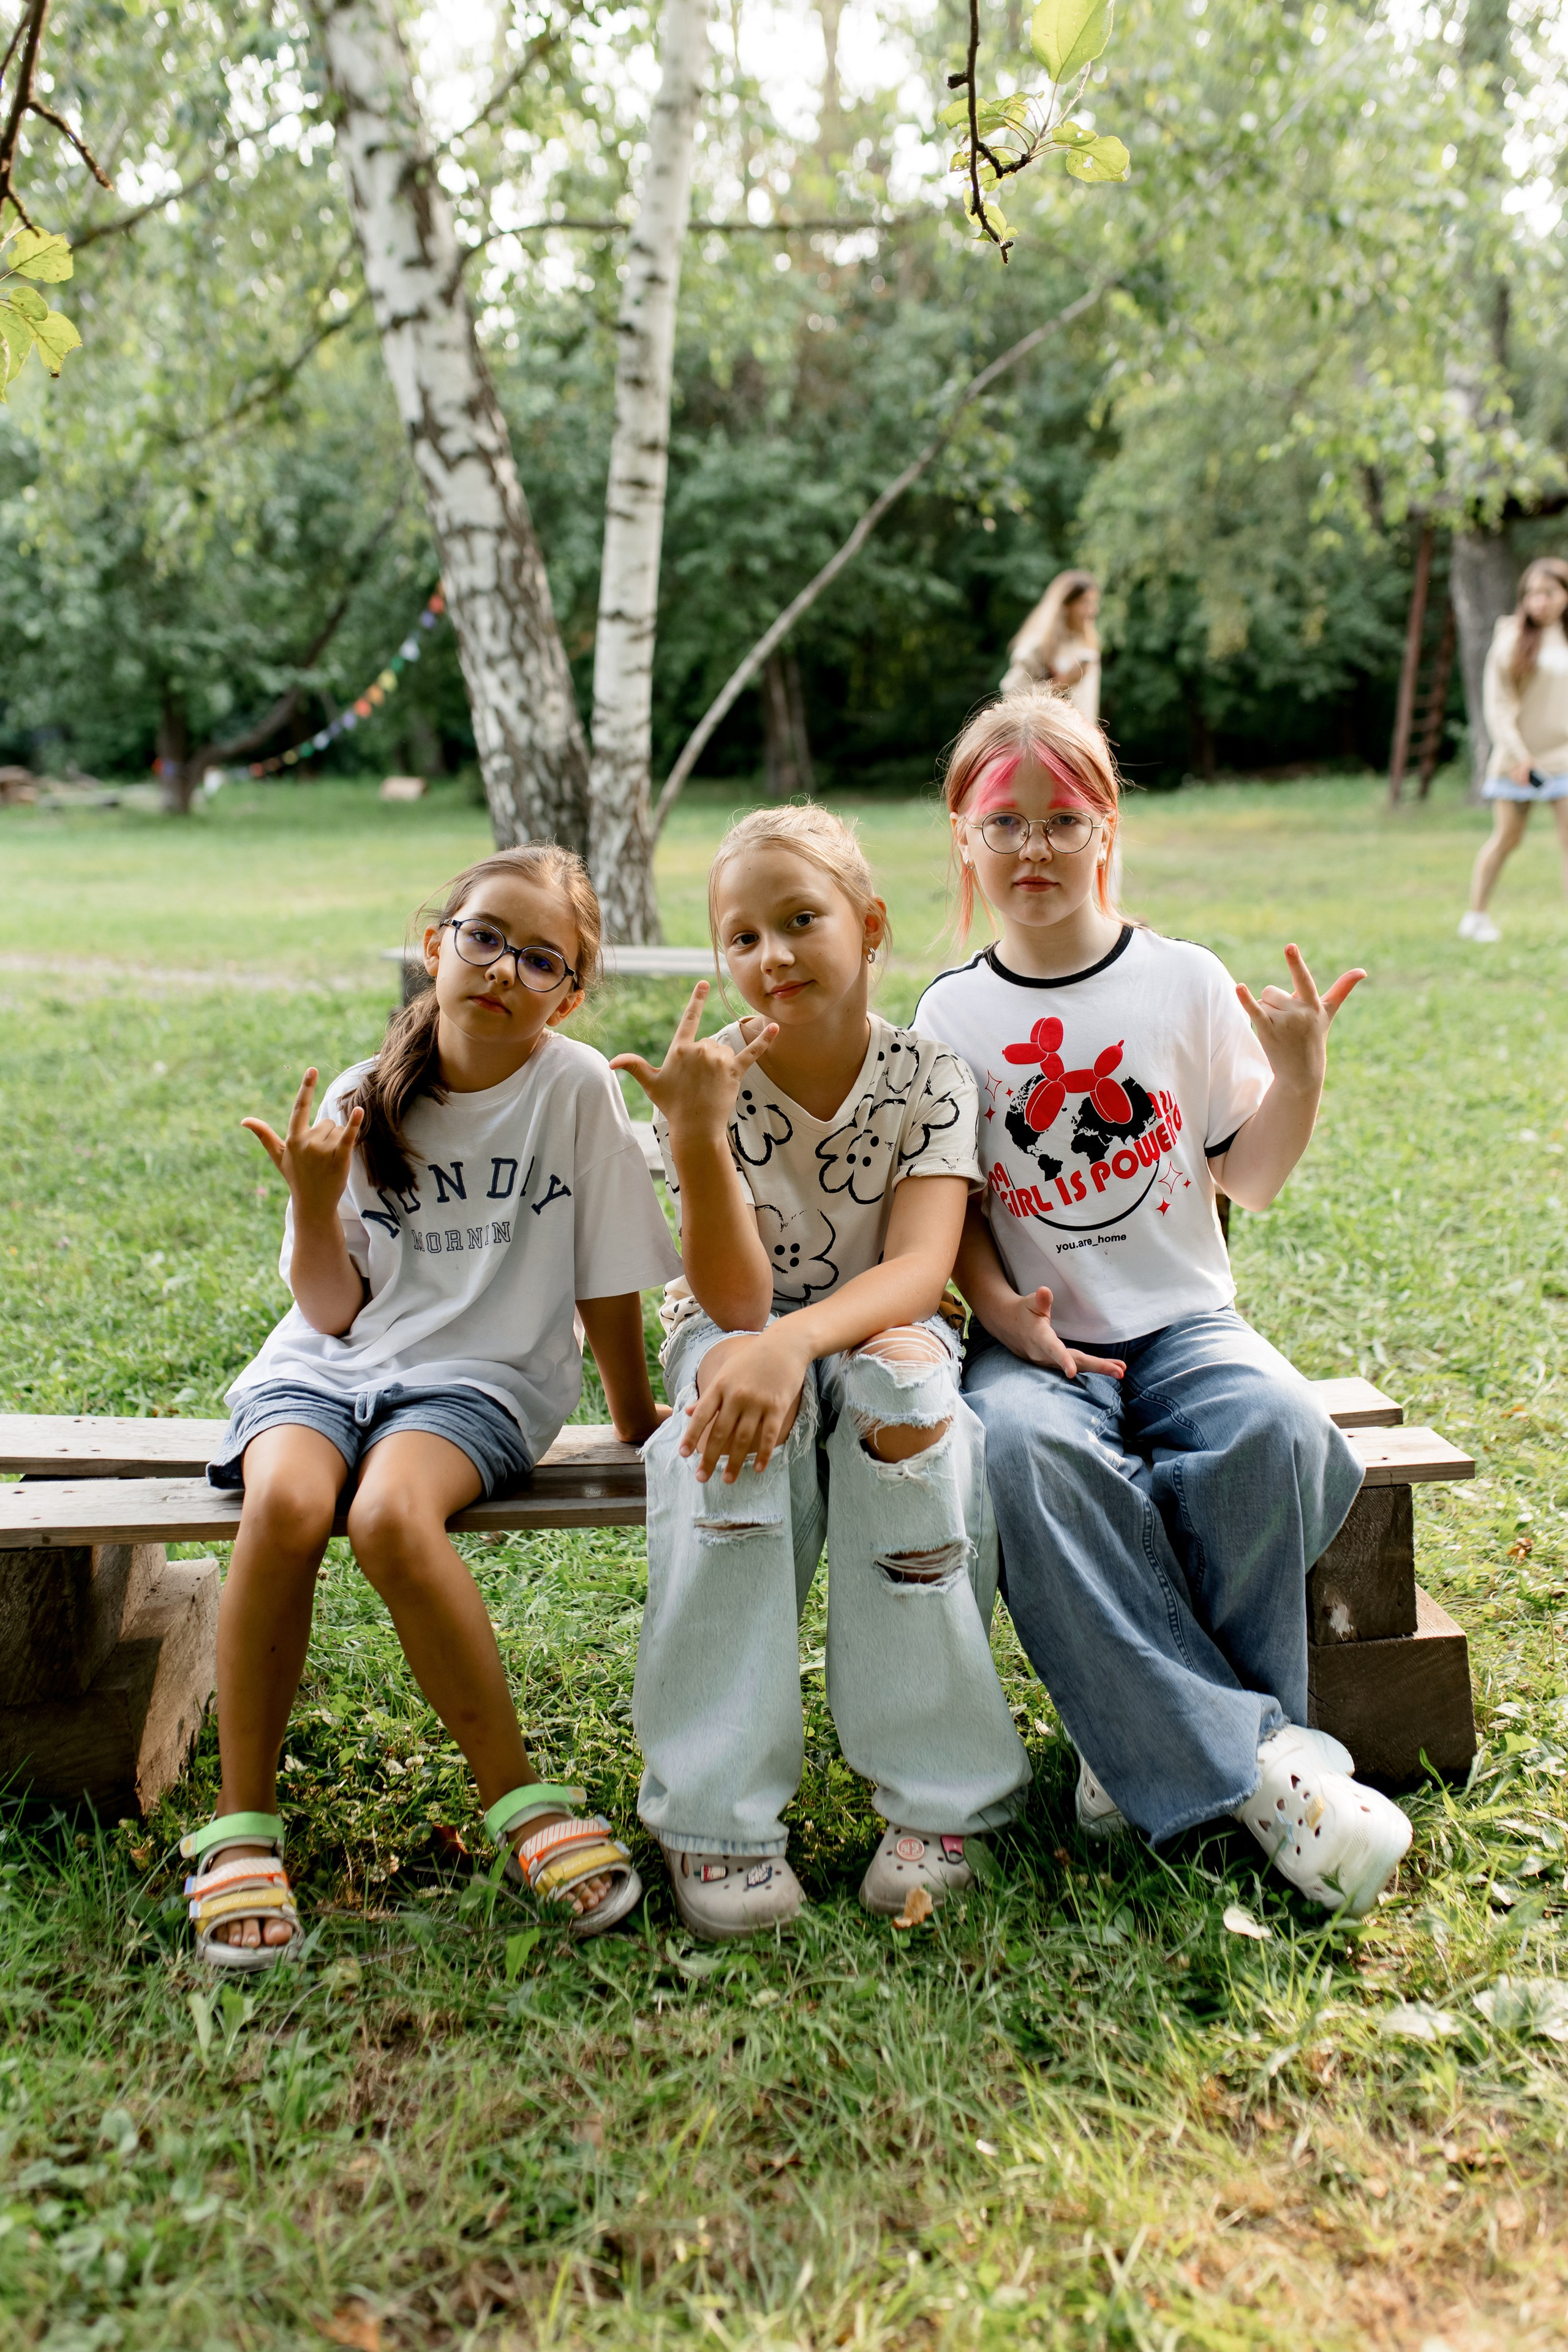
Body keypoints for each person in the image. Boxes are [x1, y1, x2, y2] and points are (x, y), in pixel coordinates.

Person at [913, 687, 1414, 1918]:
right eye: (1003, 823)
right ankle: (1268, 1772)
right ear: (964, 842)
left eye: (1059, 818)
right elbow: (955, 1216)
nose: (1032, 846)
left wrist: (1298, 1076)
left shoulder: (1181, 982)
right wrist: (1001, 1313)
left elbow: (1249, 1173)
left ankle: (1139, 1736)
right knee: (1021, 1456)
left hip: (1185, 1324)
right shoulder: (949, 1015)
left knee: (1273, 1428)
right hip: (1035, 1351)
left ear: (1105, 827)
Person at [186, 848, 679, 1968]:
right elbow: (332, 1304)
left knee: (391, 1519)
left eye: (539, 956)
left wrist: (636, 1412)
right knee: (288, 1505)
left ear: (572, 991)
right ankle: (242, 1825)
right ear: (436, 946)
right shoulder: (371, 1092)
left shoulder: (574, 1088)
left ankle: (518, 1802)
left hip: (478, 1379)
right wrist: (315, 1205)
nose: (503, 968)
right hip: (324, 1366)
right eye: (484, 936)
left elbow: (608, 1276)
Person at [612, 805, 1030, 1940]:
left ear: (872, 924)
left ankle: (940, 1798)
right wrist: (697, 1143)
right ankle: (715, 1812)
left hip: (874, 1320)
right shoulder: (713, 1082)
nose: (772, 956)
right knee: (732, 1433)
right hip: (735, 1331)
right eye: (741, 938)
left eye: (801, 921)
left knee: (906, 1398)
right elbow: (738, 1306)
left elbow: (918, 1270)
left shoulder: (932, 1074)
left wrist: (801, 1344)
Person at [1460, 557, 1568, 943]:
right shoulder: (1509, 636)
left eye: (1549, 593)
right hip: (1519, 761)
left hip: (1564, 758)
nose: (1540, 601)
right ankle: (1475, 916)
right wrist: (1520, 755)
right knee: (1508, 839)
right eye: (1532, 594)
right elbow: (1498, 706)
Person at [1000, 568, 1101, 717]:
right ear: (1065, 605)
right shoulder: (1038, 645)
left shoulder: (1088, 647)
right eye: (1084, 603)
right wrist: (1062, 685)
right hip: (1049, 736)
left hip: (1080, 736)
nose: (1092, 611)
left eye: (1093, 603)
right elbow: (1012, 692)